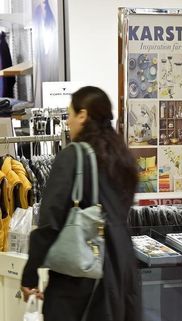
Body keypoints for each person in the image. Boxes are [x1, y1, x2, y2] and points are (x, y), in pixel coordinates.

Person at [21, 86, 141, 321]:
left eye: (69, 115)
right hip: (121, 269)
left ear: (83, 115)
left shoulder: (73, 156)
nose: (68, 122)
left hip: (81, 275)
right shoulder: (122, 159)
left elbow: (50, 220)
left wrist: (30, 272)